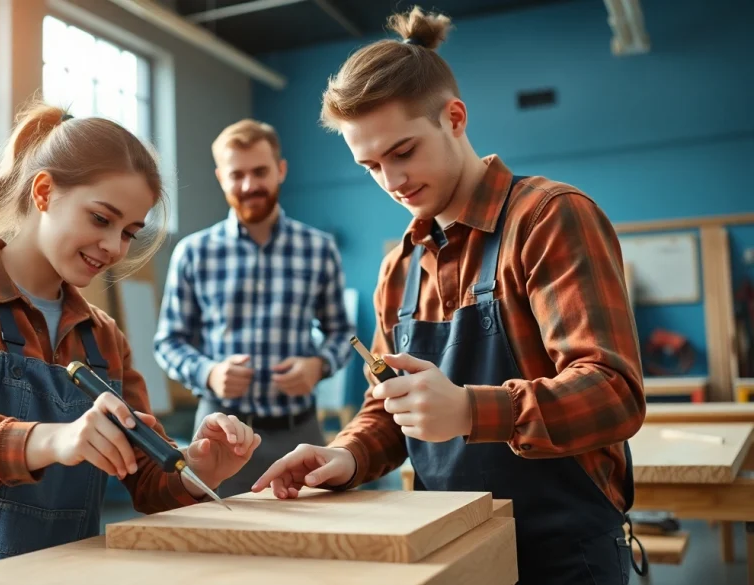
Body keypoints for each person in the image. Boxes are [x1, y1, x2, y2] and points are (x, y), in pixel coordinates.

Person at [252, 7, 648, 584]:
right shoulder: (400, 266)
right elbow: (390, 408)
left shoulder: (546, 219)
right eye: (370, 166)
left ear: (454, 118)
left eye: (404, 151)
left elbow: (614, 393)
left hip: (564, 553)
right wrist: (349, 454)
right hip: (447, 546)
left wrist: (469, 410)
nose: (391, 181)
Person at [0, 102, 261, 584]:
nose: (115, 247)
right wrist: (57, 439)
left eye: (128, 233)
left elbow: (146, 479)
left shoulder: (104, 337)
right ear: (44, 191)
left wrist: (197, 468)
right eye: (101, 219)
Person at [153, 119, 354, 497]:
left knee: (312, 547)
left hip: (301, 436)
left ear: (280, 170)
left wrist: (319, 365)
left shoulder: (319, 248)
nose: (249, 186)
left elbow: (342, 333)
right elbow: (168, 341)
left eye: (260, 171)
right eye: (237, 175)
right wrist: (209, 372)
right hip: (219, 441)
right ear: (220, 177)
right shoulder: (194, 253)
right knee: (218, 550)